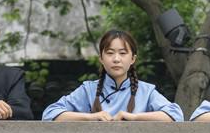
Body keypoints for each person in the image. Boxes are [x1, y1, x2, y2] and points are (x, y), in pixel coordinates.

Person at [42, 29, 183, 122]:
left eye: (122, 53)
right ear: (101, 58)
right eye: (110, 53)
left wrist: (133, 117)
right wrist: (91, 117)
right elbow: (50, 114)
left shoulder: (146, 91)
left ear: (133, 59)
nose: (116, 59)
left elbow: (176, 115)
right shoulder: (88, 90)